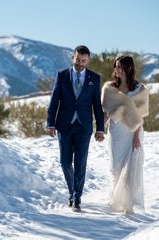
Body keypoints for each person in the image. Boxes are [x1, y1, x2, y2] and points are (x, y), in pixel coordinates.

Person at [47, 45, 105, 212]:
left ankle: (76, 197)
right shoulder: (62, 75)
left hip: (84, 127)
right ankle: (72, 190)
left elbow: (97, 106)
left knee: (80, 162)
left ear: (87, 60)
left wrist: (100, 128)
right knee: (65, 162)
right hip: (64, 125)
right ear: (72, 58)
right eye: (78, 60)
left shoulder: (94, 78)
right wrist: (50, 123)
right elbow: (54, 100)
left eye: (84, 61)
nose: (80, 63)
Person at [101, 56, 149, 214]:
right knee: (115, 167)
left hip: (132, 132)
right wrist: (99, 129)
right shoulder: (109, 88)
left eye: (120, 67)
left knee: (131, 168)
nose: (117, 70)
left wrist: (136, 136)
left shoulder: (140, 88)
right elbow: (105, 114)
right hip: (115, 133)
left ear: (129, 68)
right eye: (116, 67)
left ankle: (127, 205)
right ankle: (116, 199)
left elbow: (140, 115)